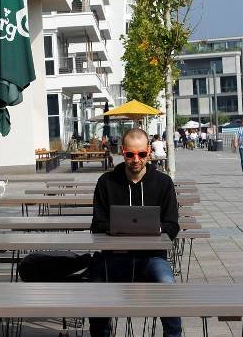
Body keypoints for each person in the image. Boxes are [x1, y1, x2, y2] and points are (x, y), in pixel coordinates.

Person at [90, 128, 181, 337]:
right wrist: (117, 228)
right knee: (95, 289)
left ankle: (174, 335)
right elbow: (97, 224)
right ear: (123, 152)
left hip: (152, 258)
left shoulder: (163, 183)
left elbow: (172, 226)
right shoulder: (106, 182)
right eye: (130, 154)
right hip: (113, 258)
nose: (136, 160)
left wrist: (154, 228)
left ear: (149, 151)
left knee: (168, 285)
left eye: (141, 154)